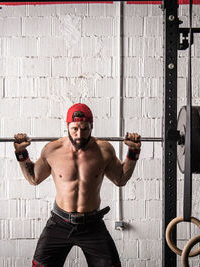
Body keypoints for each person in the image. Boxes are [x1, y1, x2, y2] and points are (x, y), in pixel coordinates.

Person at [14, 103, 141, 267]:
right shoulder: (52, 150)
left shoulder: (104, 150)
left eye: (85, 129)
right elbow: (34, 179)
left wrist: (133, 153)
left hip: (92, 225)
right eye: (74, 128)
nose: (79, 134)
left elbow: (120, 180)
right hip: (59, 223)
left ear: (92, 127)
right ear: (67, 126)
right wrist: (21, 153)